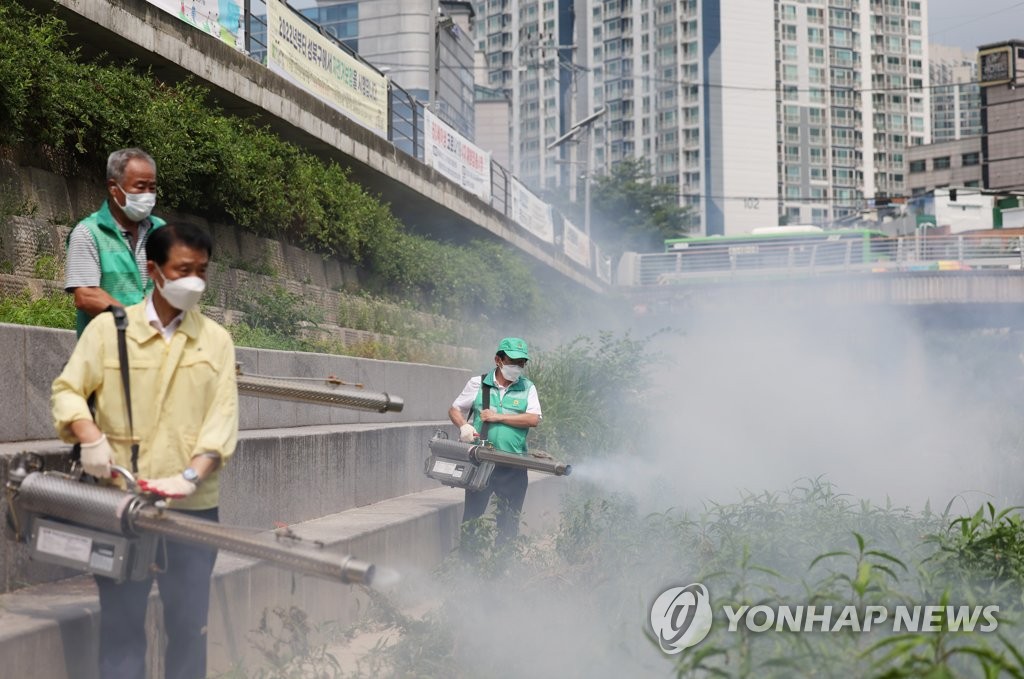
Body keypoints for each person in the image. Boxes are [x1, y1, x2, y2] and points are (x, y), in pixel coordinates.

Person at [51, 222, 237, 679]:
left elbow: (222, 421)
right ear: (153, 270)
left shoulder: (216, 341)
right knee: (121, 627)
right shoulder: (108, 332)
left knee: (189, 628)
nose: (194, 280)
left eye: (203, 271)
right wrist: (89, 436)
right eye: (183, 269)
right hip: (119, 505)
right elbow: (68, 391)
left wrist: (189, 476)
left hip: (191, 510)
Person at [448, 337, 542, 549]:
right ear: (498, 360)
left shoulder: (527, 387)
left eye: (521, 363)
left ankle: (501, 572)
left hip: (514, 466)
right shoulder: (478, 383)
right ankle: (467, 568)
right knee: (472, 519)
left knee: (509, 524)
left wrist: (498, 417)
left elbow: (533, 419)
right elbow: (454, 409)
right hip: (482, 463)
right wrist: (464, 426)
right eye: (513, 361)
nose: (517, 367)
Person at [65, 147, 165, 336]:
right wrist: (138, 323)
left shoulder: (162, 231)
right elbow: (86, 296)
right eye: (140, 187)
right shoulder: (88, 232)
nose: (148, 195)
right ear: (114, 188)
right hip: (107, 354)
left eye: (152, 188)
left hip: (156, 353)